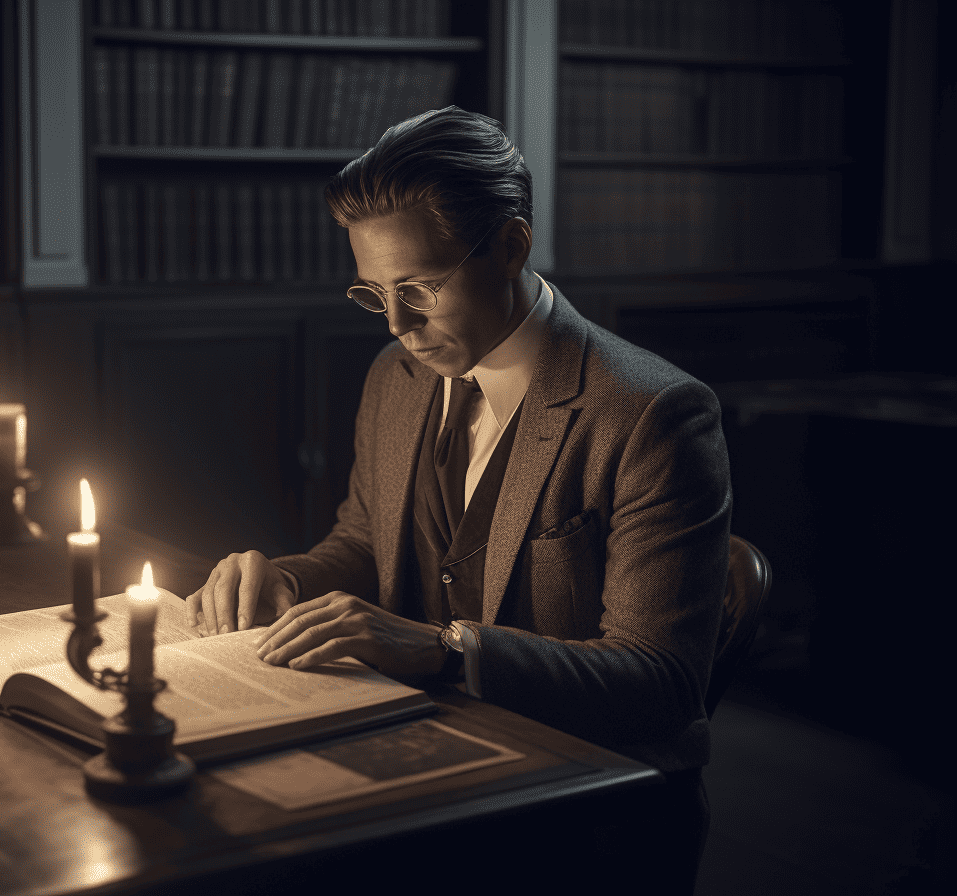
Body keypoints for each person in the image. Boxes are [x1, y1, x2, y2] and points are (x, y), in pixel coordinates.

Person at [187, 107, 731, 892]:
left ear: (510, 246)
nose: (399, 325)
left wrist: (446, 650)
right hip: (418, 767)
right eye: (374, 293)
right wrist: (289, 578)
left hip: (584, 818)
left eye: (420, 287)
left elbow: (660, 684)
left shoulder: (655, 412)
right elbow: (366, 547)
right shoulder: (395, 377)